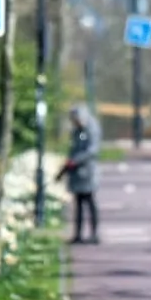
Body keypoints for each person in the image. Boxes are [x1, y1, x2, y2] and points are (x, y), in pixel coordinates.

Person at [57, 104, 102, 244]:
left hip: (88, 170)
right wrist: (67, 164)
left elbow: (92, 150)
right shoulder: (77, 131)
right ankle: (78, 234)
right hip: (77, 172)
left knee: (90, 200)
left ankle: (94, 233)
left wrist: (75, 161)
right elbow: (73, 147)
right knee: (78, 203)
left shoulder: (92, 128)